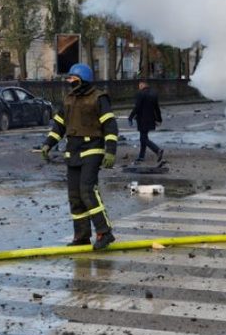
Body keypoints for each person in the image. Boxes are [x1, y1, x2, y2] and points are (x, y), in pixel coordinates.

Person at [41, 63, 119, 250]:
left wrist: (110, 151)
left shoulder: (99, 98)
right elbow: (59, 126)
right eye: (69, 78)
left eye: (72, 78)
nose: (69, 82)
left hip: (92, 149)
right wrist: (48, 144)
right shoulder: (68, 99)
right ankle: (82, 236)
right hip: (73, 150)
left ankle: (104, 232)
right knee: (75, 196)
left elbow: (110, 126)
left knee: (87, 191)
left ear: (82, 79)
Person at [128, 79, 164, 164]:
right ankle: (141, 156)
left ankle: (157, 150)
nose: (139, 87)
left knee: (143, 138)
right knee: (143, 136)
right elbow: (157, 108)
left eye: (140, 85)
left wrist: (130, 117)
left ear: (142, 84)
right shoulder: (154, 94)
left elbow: (137, 107)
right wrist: (159, 119)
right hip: (151, 119)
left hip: (142, 119)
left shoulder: (140, 94)